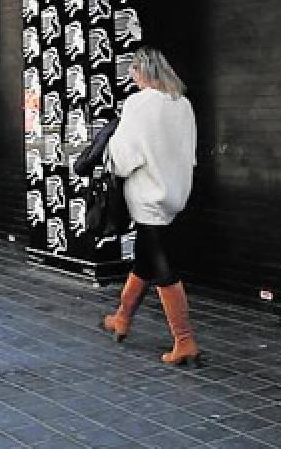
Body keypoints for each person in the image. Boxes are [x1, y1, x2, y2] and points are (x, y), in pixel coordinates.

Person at [101, 47, 199, 365]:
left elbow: (125, 156)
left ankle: (184, 340)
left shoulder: (139, 104)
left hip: (148, 196)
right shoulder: (183, 104)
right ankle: (122, 318)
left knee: (162, 266)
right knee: (145, 260)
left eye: (134, 73)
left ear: (141, 73)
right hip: (175, 193)